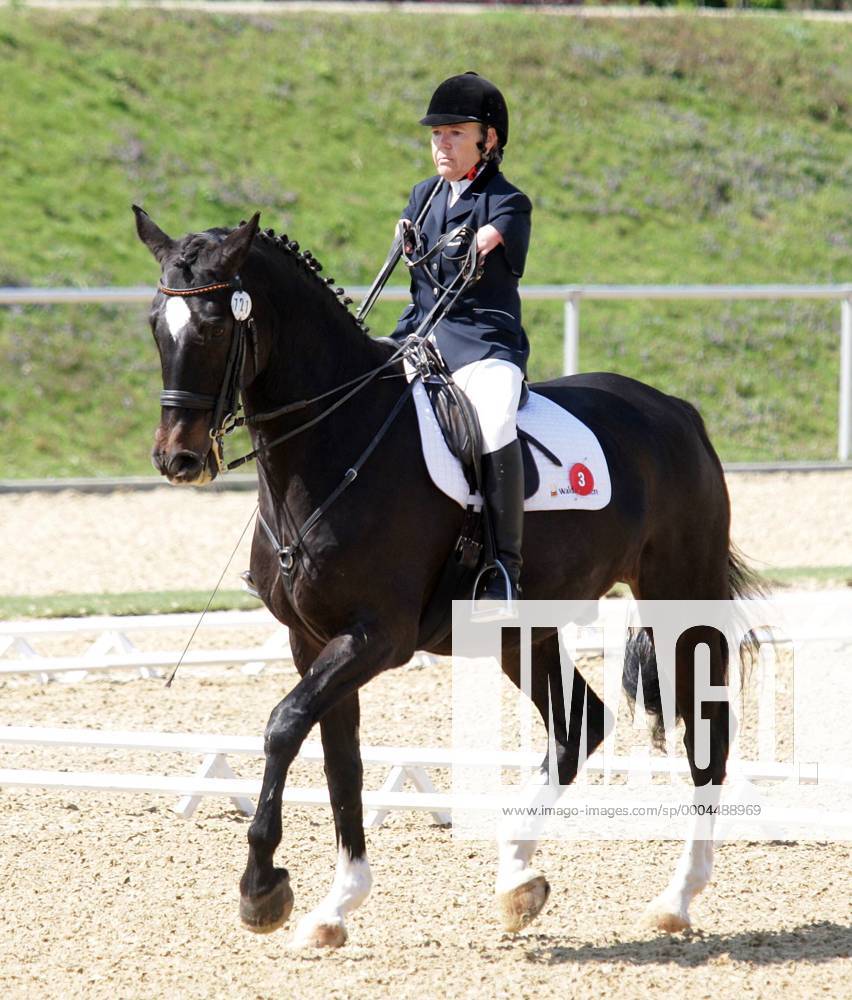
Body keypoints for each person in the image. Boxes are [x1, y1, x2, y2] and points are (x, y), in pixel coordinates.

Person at [390, 72, 532, 617]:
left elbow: (478, 252)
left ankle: (505, 568)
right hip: (421, 336)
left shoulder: (508, 203)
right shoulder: (422, 197)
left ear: (487, 140)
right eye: (436, 135)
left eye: (454, 133)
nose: (441, 144)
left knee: (494, 421)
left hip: (483, 344)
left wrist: (470, 240)